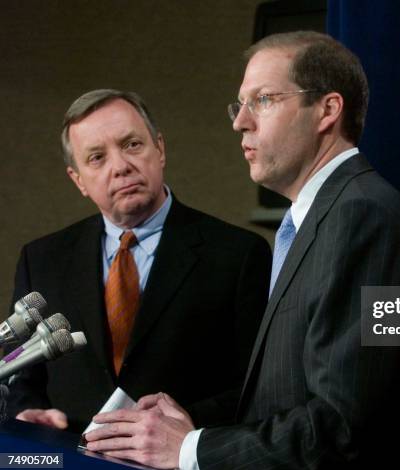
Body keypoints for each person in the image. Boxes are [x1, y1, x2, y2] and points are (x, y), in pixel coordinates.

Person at [85, 31, 400, 470]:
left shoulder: (363, 218)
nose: (240, 122)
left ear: (327, 110)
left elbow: (341, 425)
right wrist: (193, 424)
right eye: (240, 105)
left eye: (263, 100)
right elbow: (286, 396)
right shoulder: (317, 218)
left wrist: (191, 449)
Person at [7, 89, 271, 433]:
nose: (120, 167)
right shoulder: (41, 259)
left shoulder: (239, 253)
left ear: (159, 149)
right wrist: (28, 414)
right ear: (78, 180)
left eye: (132, 145)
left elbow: (260, 387)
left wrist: (189, 422)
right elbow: (20, 377)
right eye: (97, 158)